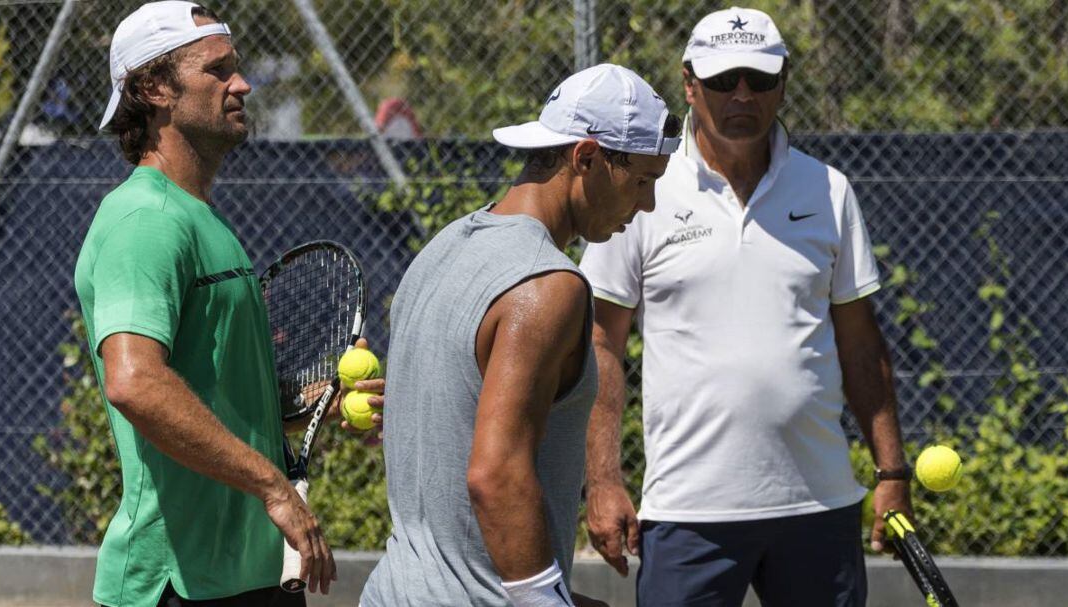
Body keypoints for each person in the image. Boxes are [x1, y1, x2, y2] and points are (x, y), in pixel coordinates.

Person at [579, 8, 913, 607]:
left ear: (782, 83)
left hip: (819, 508)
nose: (741, 95)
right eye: (722, 79)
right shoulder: (644, 187)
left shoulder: (828, 190)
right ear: (689, 84)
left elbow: (862, 342)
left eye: (759, 80)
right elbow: (602, 343)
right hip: (686, 513)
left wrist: (892, 472)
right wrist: (602, 480)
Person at [75, 3, 382, 605]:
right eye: (217, 71)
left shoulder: (200, 218)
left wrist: (313, 405)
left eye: (236, 68)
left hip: (246, 575)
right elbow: (134, 383)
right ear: (153, 88)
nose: (241, 84)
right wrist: (273, 486)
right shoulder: (145, 220)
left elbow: (218, 401)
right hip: (175, 584)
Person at [361, 64, 681, 607]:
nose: (647, 205)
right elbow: (495, 475)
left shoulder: (441, 249)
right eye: (644, 180)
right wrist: (541, 599)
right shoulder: (551, 285)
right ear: (586, 158)